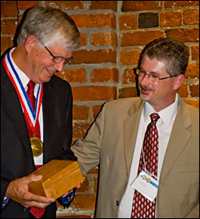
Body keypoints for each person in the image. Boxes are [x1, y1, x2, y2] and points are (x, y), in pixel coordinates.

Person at [71, 37, 199, 218]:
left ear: (177, 81)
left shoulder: (196, 127)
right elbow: (80, 157)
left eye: (154, 76)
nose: (144, 82)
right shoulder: (113, 114)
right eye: (141, 72)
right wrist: (39, 181)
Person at [1, 6, 81, 218]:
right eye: (56, 58)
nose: (61, 68)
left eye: (66, 60)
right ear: (30, 43)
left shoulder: (61, 91)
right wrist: (7, 190)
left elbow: (63, 152)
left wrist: (66, 181)